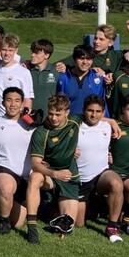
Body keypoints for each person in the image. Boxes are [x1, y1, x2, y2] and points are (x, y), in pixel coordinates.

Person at [0, 87, 36, 236]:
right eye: (9, 100)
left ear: (23, 103)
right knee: (5, 188)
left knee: (17, 223)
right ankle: (3, 220)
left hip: (25, 176)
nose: (13, 104)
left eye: (17, 101)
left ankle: (0, 207)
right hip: (2, 168)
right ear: (3, 102)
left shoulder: (31, 124)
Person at [29, 94, 82, 240]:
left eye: (58, 114)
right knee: (35, 176)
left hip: (69, 177)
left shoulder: (75, 122)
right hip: (50, 176)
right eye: (51, 113)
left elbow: (95, 116)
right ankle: (32, 226)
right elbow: (35, 164)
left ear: (67, 112)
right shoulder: (41, 132)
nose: (53, 118)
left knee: (67, 226)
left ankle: (52, 211)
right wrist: (55, 174)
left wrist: (112, 122)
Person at [99, 93, 129, 242]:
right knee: (127, 187)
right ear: (123, 110)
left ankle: (127, 218)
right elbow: (90, 118)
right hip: (116, 172)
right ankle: (117, 221)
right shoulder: (113, 126)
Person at [73, 95, 113, 227]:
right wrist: (70, 151)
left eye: (98, 112)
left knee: (116, 183)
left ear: (103, 112)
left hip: (101, 176)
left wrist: (112, 121)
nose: (94, 115)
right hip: (81, 179)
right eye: (90, 110)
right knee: (79, 223)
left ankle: (113, 225)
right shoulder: (74, 126)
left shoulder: (108, 126)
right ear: (84, 110)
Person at [0, 34, 33, 118]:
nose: (7, 53)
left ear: (16, 51)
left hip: (16, 120)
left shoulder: (24, 72)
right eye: (4, 50)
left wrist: (24, 120)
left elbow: (27, 100)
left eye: (10, 50)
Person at [57, 45, 108, 118]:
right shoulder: (63, 78)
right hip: (70, 124)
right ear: (74, 59)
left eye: (88, 59)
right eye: (81, 58)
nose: (85, 62)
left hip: (92, 124)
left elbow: (103, 104)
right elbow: (58, 105)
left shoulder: (99, 79)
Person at [25, 39, 58, 116]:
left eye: (36, 53)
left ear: (47, 55)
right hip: (27, 118)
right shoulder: (25, 70)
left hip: (49, 119)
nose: (32, 55)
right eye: (32, 52)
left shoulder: (57, 71)